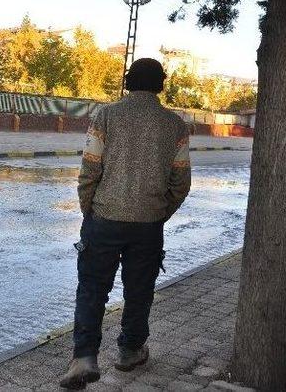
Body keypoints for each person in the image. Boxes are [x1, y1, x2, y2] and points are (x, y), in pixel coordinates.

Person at [60, 58, 191, 389]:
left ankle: (84, 357)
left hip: (104, 217)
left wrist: (88, 209)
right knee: (139, 289)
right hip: (148, 224)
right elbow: (181, 182)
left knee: (92, 287)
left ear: (129, 81)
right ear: (160, 84)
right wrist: (159, 213)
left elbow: (90, 169)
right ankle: (130, 352)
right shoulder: (175, 126)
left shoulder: (106, 116)